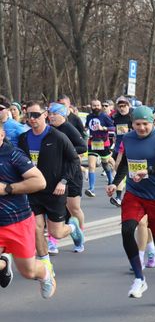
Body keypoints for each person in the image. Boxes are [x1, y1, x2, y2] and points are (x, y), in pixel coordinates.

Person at [106, 106, 155, 307]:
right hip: (134, 193)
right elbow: (125, 164)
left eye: (145, 124)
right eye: (137, 124)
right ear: (132, 124)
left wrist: (150, 171)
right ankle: (139, 278)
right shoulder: (128, 138)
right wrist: (115, 182)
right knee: (127, 229)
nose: (141, 128)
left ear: (153, 123)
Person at [18, 101, 84, 263]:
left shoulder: (57, 136)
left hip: (54, 190)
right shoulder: (23, 138)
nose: (32, 119)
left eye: (36, 115)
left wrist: (63, 181)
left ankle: (73, 227)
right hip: (33, 191)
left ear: (45, 115)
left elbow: (74, 160)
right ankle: (45, 263)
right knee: (36, 228)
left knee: (56, 233)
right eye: (29, 115)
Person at [0, 121, 57, 298]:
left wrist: (7, 189)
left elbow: (39, 182)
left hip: (16, 221)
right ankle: (3, 262)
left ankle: (45, 273)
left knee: (28, 271)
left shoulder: (12, 155)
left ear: (1, 135)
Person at [47, 103, 87, 252]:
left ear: (63, 116)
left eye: (54, 114)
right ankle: (53, 241)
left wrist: (64, 151)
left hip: (72, 173)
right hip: (55, 174)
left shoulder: (69, 129)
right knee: (56, 207)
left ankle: (79, 235)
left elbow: (83, 147)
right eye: (49, 114)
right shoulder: (49, 129)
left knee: (74, 208)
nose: (51, 117)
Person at [84, 99, 115, 197]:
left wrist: (103, 128)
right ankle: (91, 189)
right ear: (91, 107)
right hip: (92, 143)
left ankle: (111, 179)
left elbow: (113, 128)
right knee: (91, 166)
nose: (96, 107)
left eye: (98, 105)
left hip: (103, 143)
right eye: (94, 105)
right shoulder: (89, 117)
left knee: (105, 163)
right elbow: (86, 127)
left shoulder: (104, 116)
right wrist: (84, 130)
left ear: (100, 106)